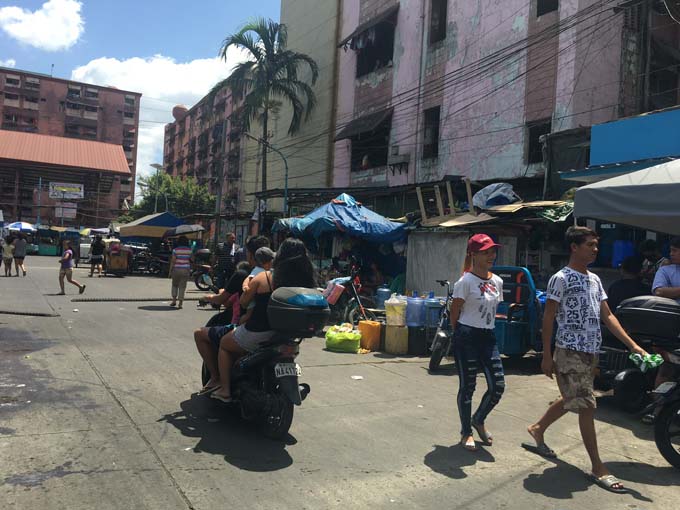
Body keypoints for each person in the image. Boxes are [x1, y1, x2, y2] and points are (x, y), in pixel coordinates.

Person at [523, 226, 647, 494]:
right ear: (574, 247)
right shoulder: (561, 278)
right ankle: (597, 466)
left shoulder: (595, 280)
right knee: (587, 405)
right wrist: (546, 356)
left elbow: (608, 316)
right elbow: (548, 318)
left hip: (590, 352)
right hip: (568, 350)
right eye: (590, 244)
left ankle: (537, 428)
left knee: (575, 398)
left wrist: (633, 345)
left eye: (595, 244)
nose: (595, 249)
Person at [210, 238, 316, 403]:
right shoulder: (308, 282)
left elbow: (244, 302)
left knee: (224, 344)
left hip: (260, 333)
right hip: (287, 336)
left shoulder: (265, 277)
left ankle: (224, 390)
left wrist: (247, 288)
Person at [450, 234, 505, 452]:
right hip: (467, 336)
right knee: (468, 387)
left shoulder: (497, 281)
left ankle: (479, 419)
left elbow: (493, 310)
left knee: (498, 386)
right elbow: (454, 311)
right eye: (486, 252)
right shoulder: (465, 282)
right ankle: (466, 432)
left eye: (493, 251)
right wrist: (459, 334)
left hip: (488, 337)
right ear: (474, 255)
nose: (491, 255)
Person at [193, 262, 252, 395]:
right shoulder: (266, 279)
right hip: (264, 330)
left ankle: (217, 379)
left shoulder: (242, 279)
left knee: (206, 336)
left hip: (243, 329)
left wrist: (207, 297)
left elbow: (222, 299)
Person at [652, 237, 680, 303]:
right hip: (674, 311)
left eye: (674, 250)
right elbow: (658, 291)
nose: (671, 254)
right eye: (670, 250)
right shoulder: (665, 270)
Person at [169, 236, 192, 309]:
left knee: (175, 285)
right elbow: (192, 259)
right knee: (182, 286)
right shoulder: (189, 250)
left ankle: (174, 300)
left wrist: (170, 271)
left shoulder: (175, 250)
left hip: (176, 269)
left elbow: (173, 261)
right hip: (185, 270)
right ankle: (180, 303)